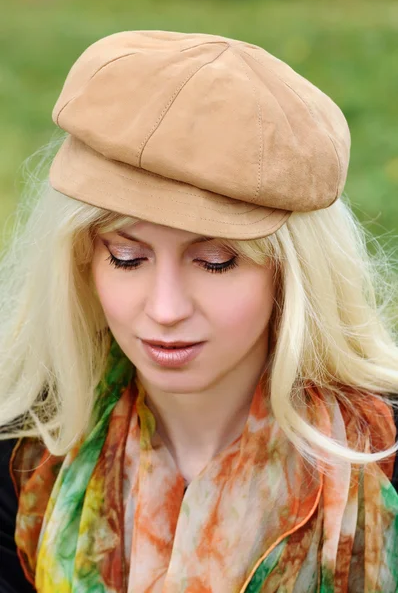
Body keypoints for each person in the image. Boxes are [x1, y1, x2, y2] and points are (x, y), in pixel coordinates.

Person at [0, 30, 397, 593]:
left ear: (295, 272)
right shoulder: (23, 456)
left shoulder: (386, 458)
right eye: (127, 257)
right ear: (80, 262)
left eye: (215, 263)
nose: (164, 309)